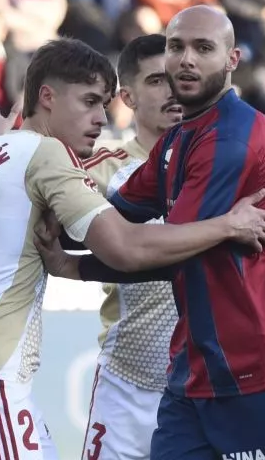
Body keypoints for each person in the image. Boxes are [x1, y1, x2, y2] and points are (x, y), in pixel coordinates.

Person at [0, 38, 265, 460]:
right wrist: (227, 225)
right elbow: (125, 247)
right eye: (89, 102)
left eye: (104, 105)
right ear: (47, 96)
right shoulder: (50, 154)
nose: (99, 119)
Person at [37, 5, 265, 460]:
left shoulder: (231, 137)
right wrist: (60, 224)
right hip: (198, 367)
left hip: (262, 364)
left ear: (233, 59)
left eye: (203, 48)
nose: (186, 60)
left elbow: (170, 252)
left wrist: (72, 266)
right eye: (176, 47)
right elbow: (113, 219)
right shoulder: (180, 140)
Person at [78, 33, 183, 460]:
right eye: (157, 80)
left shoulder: (222, 163)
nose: (173, 90)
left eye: (178, 78)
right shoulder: (104, 171)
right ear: (128, 96)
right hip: (127, 382)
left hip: (204, 384)